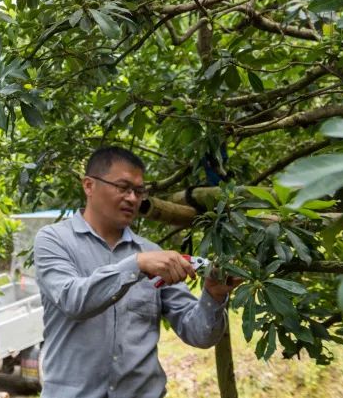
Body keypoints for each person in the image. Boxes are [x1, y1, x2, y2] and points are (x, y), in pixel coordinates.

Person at [33, 146, 239, 398]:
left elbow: (198, 334)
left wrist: (213, 296)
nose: (132, 198)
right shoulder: (53, 241)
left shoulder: (152, 253)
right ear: (89, 185)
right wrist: (136, 265)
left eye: (139, 191)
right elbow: (72, 300)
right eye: (123, 187)